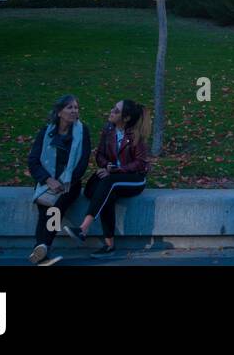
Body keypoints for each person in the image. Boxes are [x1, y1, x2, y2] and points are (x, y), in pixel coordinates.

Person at [62, 99, 150, 256]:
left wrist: (117, 170)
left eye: (116, 110)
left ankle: (83, 229)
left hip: (134, 178)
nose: (111, 111)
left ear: (126, 118)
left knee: (108, 184)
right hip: (112, 176)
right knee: (94, 190)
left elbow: (141, 164)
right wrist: (107, 166)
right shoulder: (108, 129)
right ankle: (109, 247)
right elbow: (100, 155)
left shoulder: (136, 134)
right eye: (113, 108)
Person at [25, 93, 91, 265]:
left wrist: (63, 183)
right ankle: (42, 250)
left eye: (76, 107)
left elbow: (83, 162)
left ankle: (43, 248)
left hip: (70, 183)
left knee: (55, 210)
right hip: (46, 182)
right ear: (60, 112)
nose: (74, 110)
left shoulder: (83, 132)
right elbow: (33, 160)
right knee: (44, 211)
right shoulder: (46, 132)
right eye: (70, 107)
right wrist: (48, 180)